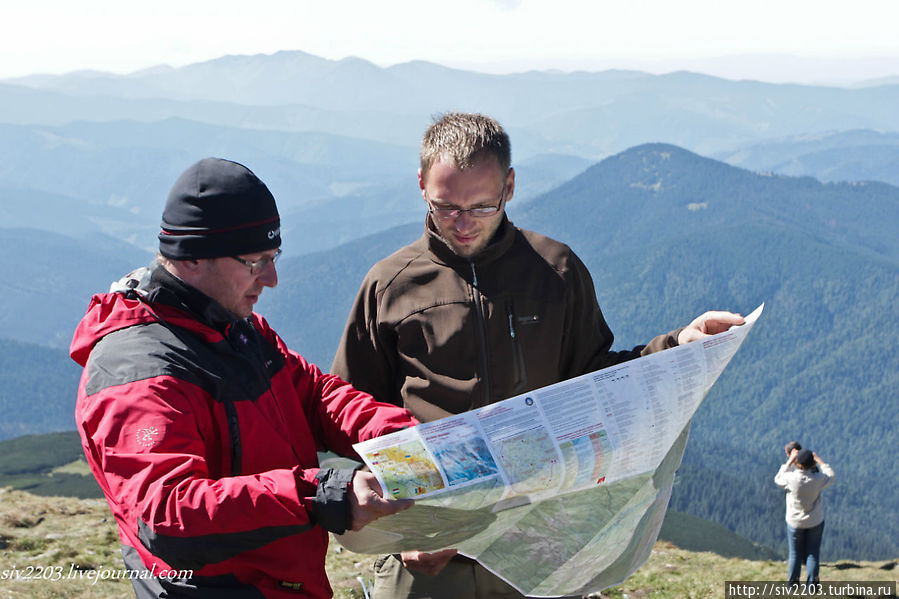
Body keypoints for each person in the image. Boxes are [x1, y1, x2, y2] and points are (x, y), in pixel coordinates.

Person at [330, 112, 746, 599]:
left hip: (538, 549)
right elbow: (343, 415)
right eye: (447, 208)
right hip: (428, 560)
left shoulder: (556, 270)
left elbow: (594, 379)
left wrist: (676, 347)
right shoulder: (389, 285)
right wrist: (400, 537)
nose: (463, 225)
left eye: (482, 206)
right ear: (422, 185)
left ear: (510, 186)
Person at [70, 157, 419, 599]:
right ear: (192, 255)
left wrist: (400, 438)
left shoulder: (229, 325)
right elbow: (168, 515)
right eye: (255, 261)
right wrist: (321, 494)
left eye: (273, 258)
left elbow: (311, 393)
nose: (271, 279)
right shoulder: (139, 370)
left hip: (281, 582)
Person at [774, 447, 835, 584]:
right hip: (815, 520)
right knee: (812, 553)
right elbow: (831, 476)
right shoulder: (818, 479)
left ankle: (792, 585)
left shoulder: (790, 478)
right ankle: (812, 586)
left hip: (795, 521)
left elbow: (778, 479)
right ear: (812, 463)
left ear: (797, 462)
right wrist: (820, 461)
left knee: (795, 554)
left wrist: (789, 462)